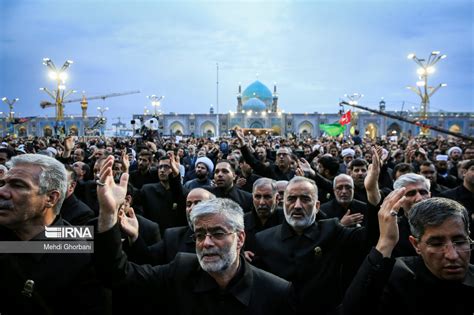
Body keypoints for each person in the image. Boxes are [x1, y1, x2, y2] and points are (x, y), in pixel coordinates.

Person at [94, 156, 295, 314]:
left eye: (217, 233)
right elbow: (118, 275)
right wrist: (109, 214)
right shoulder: (181, 271)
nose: (206, 243)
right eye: (199, 234)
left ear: (240, 238)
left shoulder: (274, 292)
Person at [0, 154, 109, 314]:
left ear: (51, 198)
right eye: (2, 184)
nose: (2, 192)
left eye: (18, 185)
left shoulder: (82, 256)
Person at [254, 175, 377, 315]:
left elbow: (370, 238)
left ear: (317, 206)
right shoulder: (263, 239)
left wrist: (372, 192)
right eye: (291, 199)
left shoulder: (333, 230)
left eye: (305, 199)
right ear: (283, 203)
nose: (297, 206)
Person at [341, 196, 473, 315]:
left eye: (460, 242)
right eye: (437, 244)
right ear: (416, 245)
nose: (452, 255)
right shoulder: (396, 278)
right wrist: (385, 243)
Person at [123, 188, 216, 265]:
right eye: (188, 204)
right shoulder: (173, 237)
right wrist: (134, 236)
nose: (191, 208)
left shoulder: (224, 237)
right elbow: (146, 259)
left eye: (198, 203)